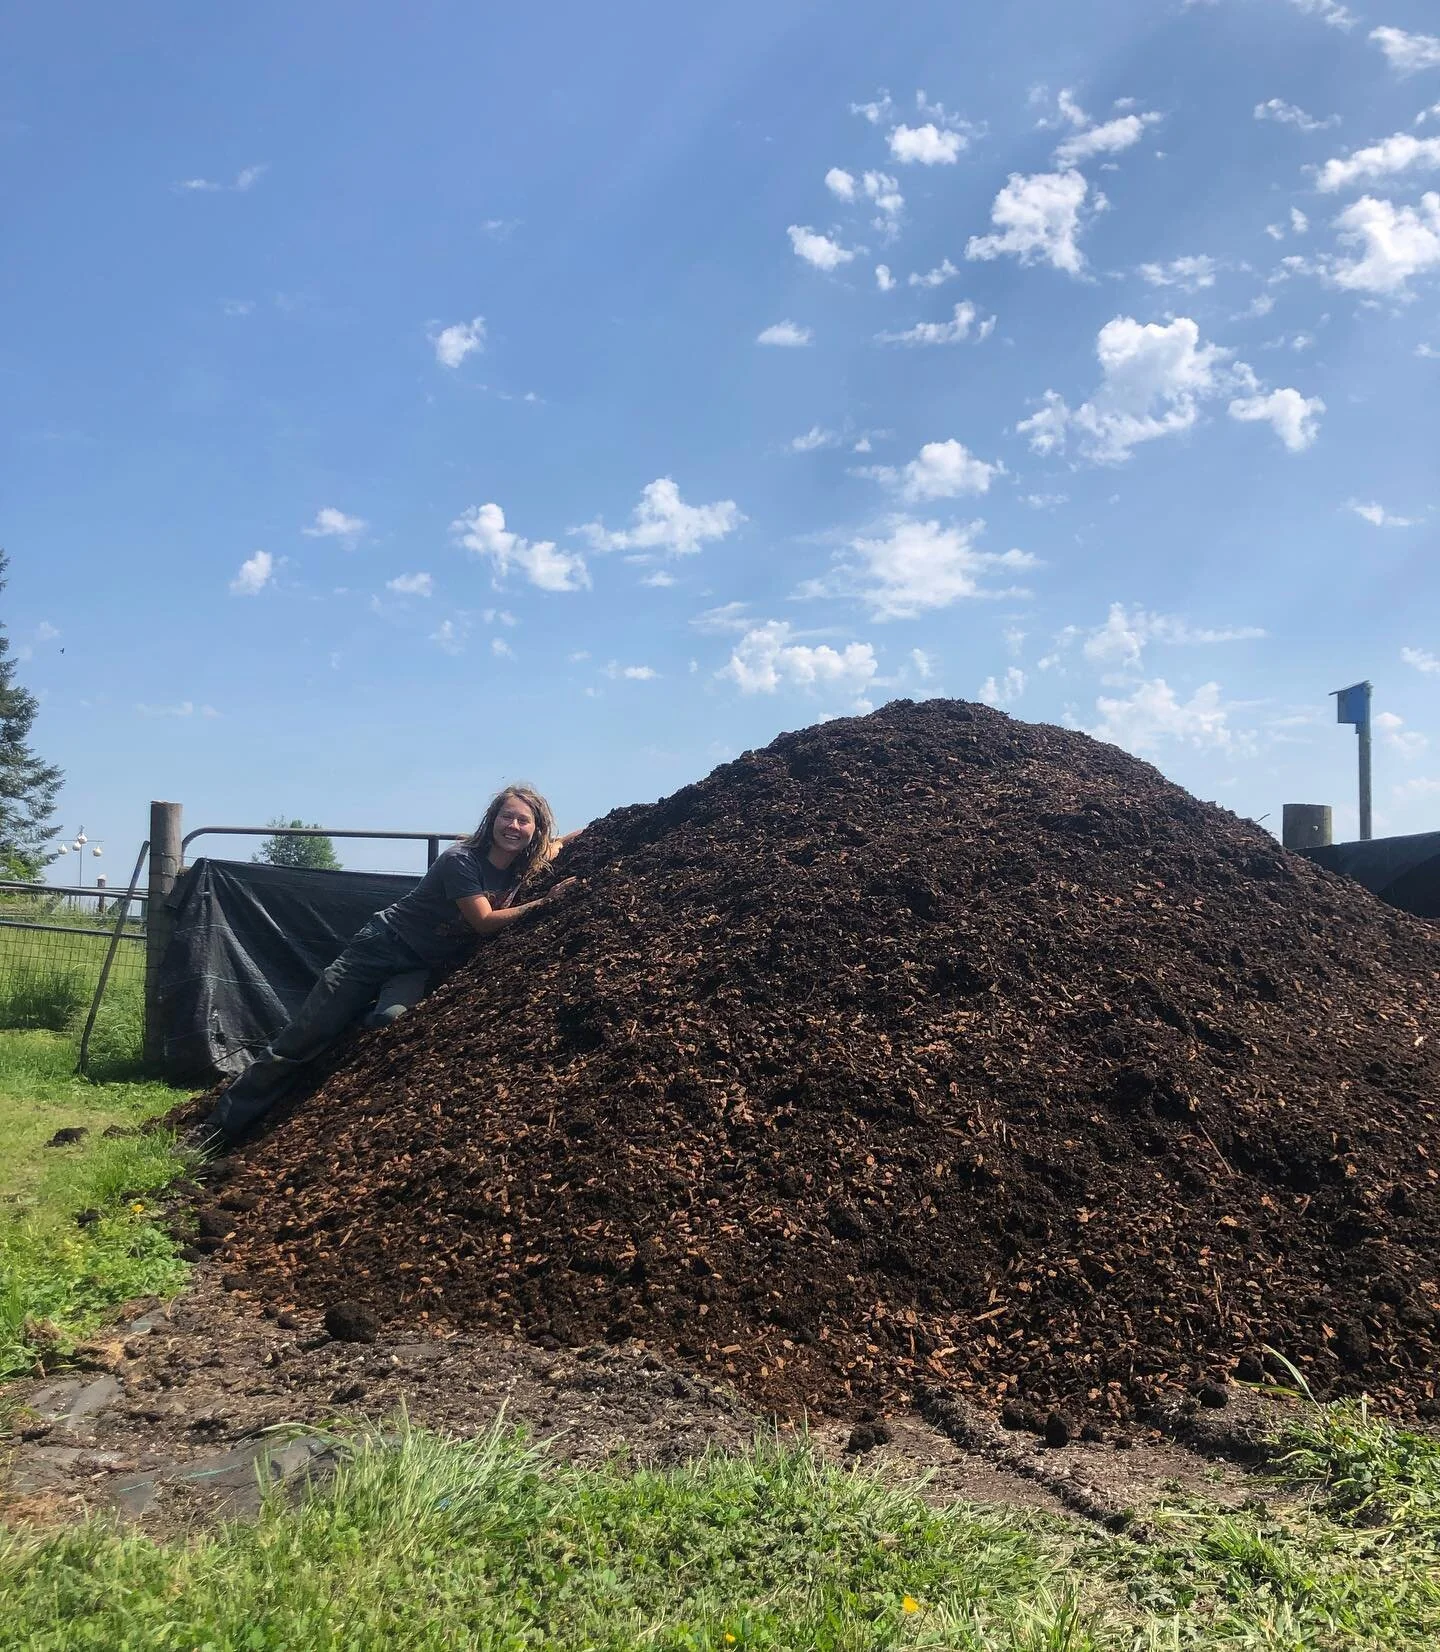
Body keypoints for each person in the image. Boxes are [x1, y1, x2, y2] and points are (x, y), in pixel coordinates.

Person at [196, 786, 579, 1147]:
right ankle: (217, 1128)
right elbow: (482, 921)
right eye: (507, 817)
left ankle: (351, 1022)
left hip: (417, 965)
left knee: (391, 1022)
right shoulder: (461, 860)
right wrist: (546, 902)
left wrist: (618, 822)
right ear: (491, 820)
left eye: (524, 821)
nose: (514, 826)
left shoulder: (523, 864)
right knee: (302, 1037)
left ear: (536, 828)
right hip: (381, 946)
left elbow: (564, 843)